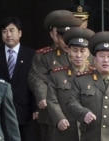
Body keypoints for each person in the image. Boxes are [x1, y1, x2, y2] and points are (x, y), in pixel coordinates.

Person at [28, 10, 83, 141]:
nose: (65, 41)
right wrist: (42, 97)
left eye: (69, 36)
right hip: (52, 115)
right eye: (61, 36)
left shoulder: (86, 55)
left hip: (79, 113)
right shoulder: (44, 56)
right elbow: (36, 78)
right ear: (53, 35)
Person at [0, 17, 40, 141]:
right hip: (0, 111)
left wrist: (36, 107)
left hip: (26, 112)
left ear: (20, 33)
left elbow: (36, 82)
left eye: (12, 30)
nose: (8, 35)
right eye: (4, 31)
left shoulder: (31, 55)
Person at [46, 27, 95, 141]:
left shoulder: (95, 76)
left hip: (90, 131)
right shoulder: (57, 75)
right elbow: (52, 100)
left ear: (88, 53)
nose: (78, 55)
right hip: (65, 130)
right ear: (68, 51)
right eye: (75, 50)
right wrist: (59, 119)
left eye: (82, 51)